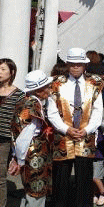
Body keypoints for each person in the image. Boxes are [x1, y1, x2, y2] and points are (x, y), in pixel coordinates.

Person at [47, 47, 104, 207]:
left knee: (85, 181)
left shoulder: (95, 83)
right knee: (61, 180)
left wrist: (87, 130)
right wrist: (66, 129)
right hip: (63, 138)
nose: (75, 67)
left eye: (79, 64)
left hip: (85, 138)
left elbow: (98, 111)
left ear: (85, 65)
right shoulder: (56, 83)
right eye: (72, 64)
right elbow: (52, 113)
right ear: (67, 64)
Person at [10, 70, 53, 207]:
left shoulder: (28, 102)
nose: (49, 88)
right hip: (34, 155)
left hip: (31, 154)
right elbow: (25, 136)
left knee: (31, 191)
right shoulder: (31, 105)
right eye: (47, 86)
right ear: (39, 90)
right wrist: (20, 160)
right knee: (36, 193)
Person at [0, 58, 24, 207]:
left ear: (12, 72)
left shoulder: (19, 95)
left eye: (3, 69)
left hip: (4, 140)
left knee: (0, 177)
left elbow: (20, 122)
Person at [93, 120, 104, 206]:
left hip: (99, 156)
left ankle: (103, 193)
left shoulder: (100, 129)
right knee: (93, 176)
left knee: (96, 177)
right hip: (92, 155)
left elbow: (100, 142)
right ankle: (95, 193)